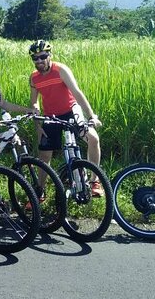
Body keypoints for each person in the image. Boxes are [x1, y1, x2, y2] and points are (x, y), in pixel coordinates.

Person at [28, 39, 104, 196]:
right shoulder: (34, 78)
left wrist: (91, 116)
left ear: (50, 55)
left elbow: (77, 92)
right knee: (44, 155)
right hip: (50, 116)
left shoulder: (61, 70)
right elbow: (34, 102)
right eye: (35, 58)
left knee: (93, 139)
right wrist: (38, 124)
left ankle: (94, 181)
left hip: (71, 111)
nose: (39, 61)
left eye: (43, 56)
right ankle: (40, 191)